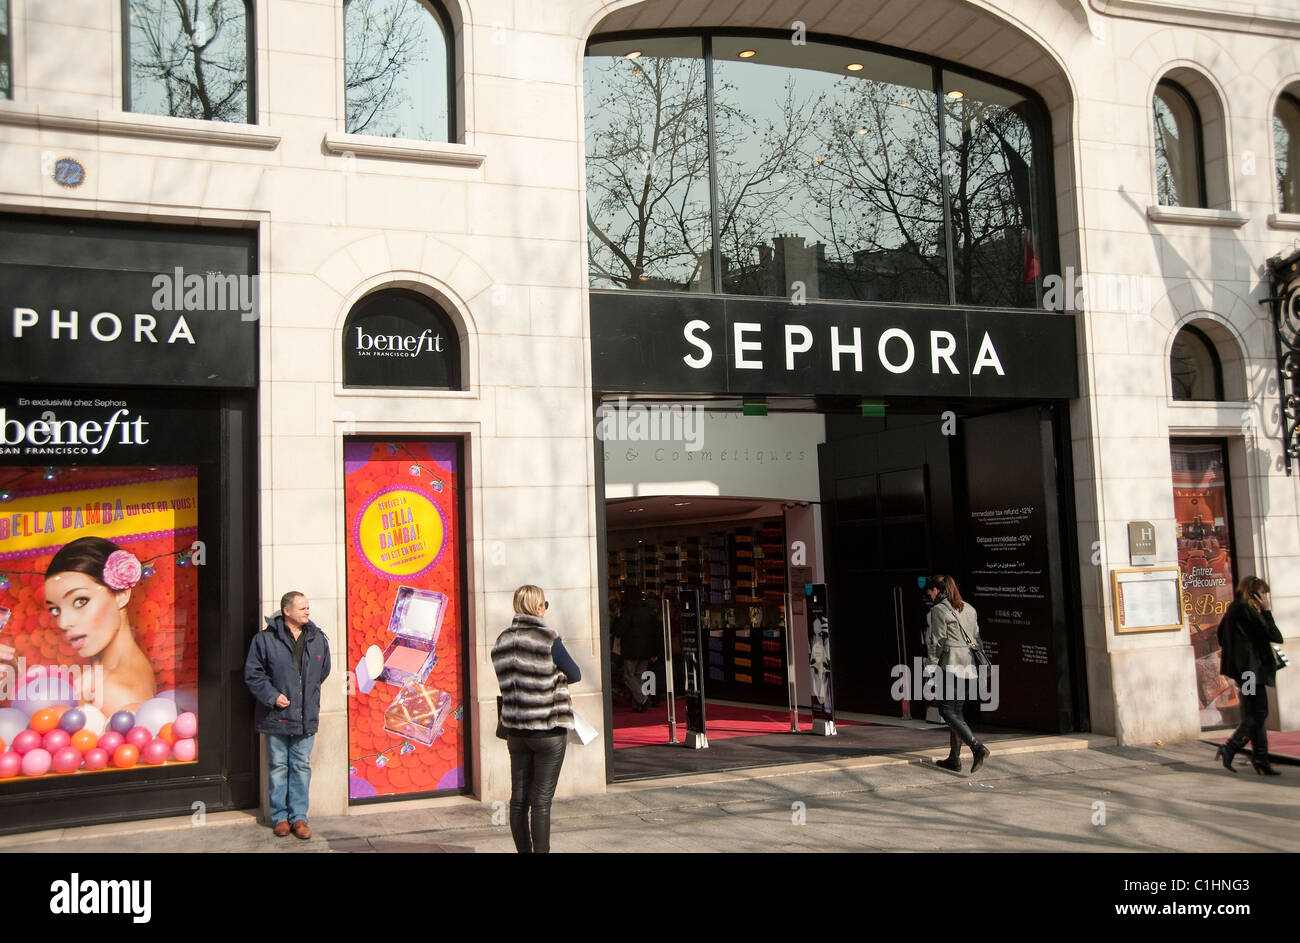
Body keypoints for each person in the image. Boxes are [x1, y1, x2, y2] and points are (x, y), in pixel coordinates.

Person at [492, 585, 581, 853]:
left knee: (518, 800)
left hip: (516, 731)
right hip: (547, 729)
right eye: (545, 604)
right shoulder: (548, 638)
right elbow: (575, 673)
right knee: (541, 801)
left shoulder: (501, 641)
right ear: (539, 607)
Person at [244, 592, 331, 839]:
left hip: (306, 716)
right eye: (302, 608)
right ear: (287, 611)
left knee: (301, 766)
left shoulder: (317, 639)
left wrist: (307, 698)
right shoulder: (264, 640)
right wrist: (272, 696)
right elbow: (253, 674)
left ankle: (300, 818)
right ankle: (280, 817)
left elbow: (322, 673)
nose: (307, 612)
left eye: (307, 607)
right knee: (279, 767)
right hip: (276, 716)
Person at [41, 536, 156, 717]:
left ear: (122, 595)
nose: (63, 623)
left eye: (80, 601)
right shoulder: (99, 677)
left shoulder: (113, 694)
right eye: (55, 610)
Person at [1216, 576, 1285, 775]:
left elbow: (1221, 635)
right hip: (1250, 672)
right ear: (1254, 594)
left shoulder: (1234, 609)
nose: (1265, 598)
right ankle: (1230, 747)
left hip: (1245, 671)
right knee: (1260, 712)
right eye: (1263, 594)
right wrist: (1267, 611)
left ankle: (1261, 758)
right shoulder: (1246, 610)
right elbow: (1275, 636)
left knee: (1254, 713)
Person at [924, 574, 990, 774]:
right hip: (967, 664)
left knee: (946, 710)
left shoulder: (939, 610)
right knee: (957, 711)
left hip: (950, 664)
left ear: (936, 590)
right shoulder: (969, 608)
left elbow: (937, 642)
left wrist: (931, 667)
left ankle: (977, 747)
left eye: (930, 592)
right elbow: (977, 636)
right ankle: (954, 758)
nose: (929, 595)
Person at [612, 587, 658, 712]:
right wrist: (655, 651)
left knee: (628, 677)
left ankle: (642, 699)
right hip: (646, 650)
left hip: (631, 650)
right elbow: (655, 633)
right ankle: (638, 704)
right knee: (639, 677)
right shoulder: (648, 613)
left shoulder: (627, 612)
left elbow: (618, 631)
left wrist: (616, 619)